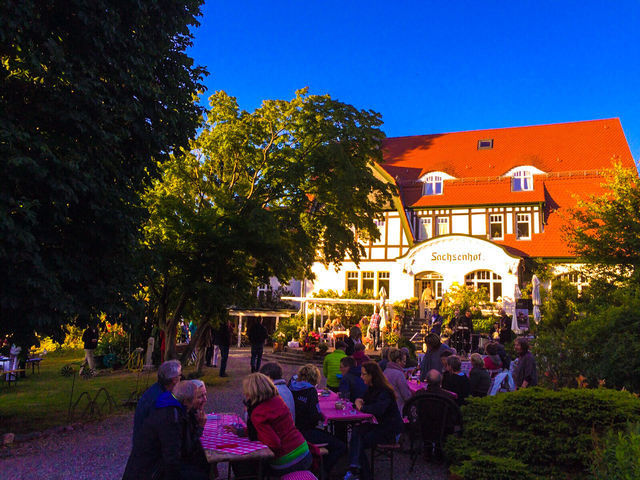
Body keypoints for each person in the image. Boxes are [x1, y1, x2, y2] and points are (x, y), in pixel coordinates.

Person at [123, 381, 209, 480]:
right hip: (149, 471)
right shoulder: (172, 418)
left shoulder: (170, 406)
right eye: (197, 398)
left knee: (201, 463)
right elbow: (174, 457)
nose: (204, 400)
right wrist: (199, 428)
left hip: (152, 465)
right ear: (186, 401)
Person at [229, 373, 312, 476]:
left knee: (246, 466)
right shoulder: (277, 400)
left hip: (287, 460)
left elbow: (273, 443)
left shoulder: (258, 412)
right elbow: (276, 428)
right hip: (304, 451)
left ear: (251, 392)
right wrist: (244, 432)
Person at [344, 362, 404, 480]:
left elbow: (378, 409)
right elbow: (363, 399)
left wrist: (361, 407)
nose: (361, 377)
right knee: (356, 432)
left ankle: (359, 472)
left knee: (358, 441)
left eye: (364, 374)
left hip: (389, 429)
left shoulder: (384, 391)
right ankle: (356, 470)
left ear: (372, 375)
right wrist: (359, 401)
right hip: (379, 425)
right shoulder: (372, 388)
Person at [289, 364, 346, 478]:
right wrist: (321, 416)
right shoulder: (310, 391)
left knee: (329, 437)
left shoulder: (291, 386)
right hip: (305, 432)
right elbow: (314, 416)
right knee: (340, 445)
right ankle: (323, 470)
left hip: (293, 429)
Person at [133, 359, 182, 443]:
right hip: (149, 448)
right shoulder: (162, 401)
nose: (181, 378)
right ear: (174, 379)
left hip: (142, 443)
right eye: (180, 375)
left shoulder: (156, 390)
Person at [383, 348, 412, 413]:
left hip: (388, 408)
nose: (405, 364)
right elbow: (406, 396)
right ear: (398, 361)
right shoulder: (399, 374)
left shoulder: (386, 371)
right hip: (398, 409)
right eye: (404, 361)